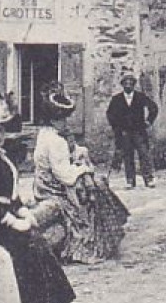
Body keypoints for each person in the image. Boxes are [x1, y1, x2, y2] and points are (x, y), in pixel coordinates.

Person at [0, 93, 77, 303]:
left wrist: (23, 210)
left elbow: (11, 193)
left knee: (38, 240)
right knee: (26, 244)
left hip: (2, 215)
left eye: (0, 130)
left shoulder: (1, 156)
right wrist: (12, 221)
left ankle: (59, 298)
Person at [32, 82, 129, 264]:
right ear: (53, 120)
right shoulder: (55, 141)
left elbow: (69, 153)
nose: (65, 123)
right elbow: (65, 175)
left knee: (95, 183)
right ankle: (93, 243)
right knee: (95, 190)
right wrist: (84, 169)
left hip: (43, 182)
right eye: (62, 119)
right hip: (54, 188)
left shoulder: (45, 134)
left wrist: (79, 152)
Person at [106, 73, 159, 188]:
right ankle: (130, 180)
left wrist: (149, 121)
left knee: (144, 154)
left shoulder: (140, 97)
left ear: (134, 85)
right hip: (124, 132)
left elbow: (153, 108)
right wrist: (117, 127)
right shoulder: (117, 99)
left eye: (131, 84)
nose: (128, 86)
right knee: (127, 156)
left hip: (139, 131)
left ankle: (148, 179)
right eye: (126, 84)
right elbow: (110, 114)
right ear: (122, 85)